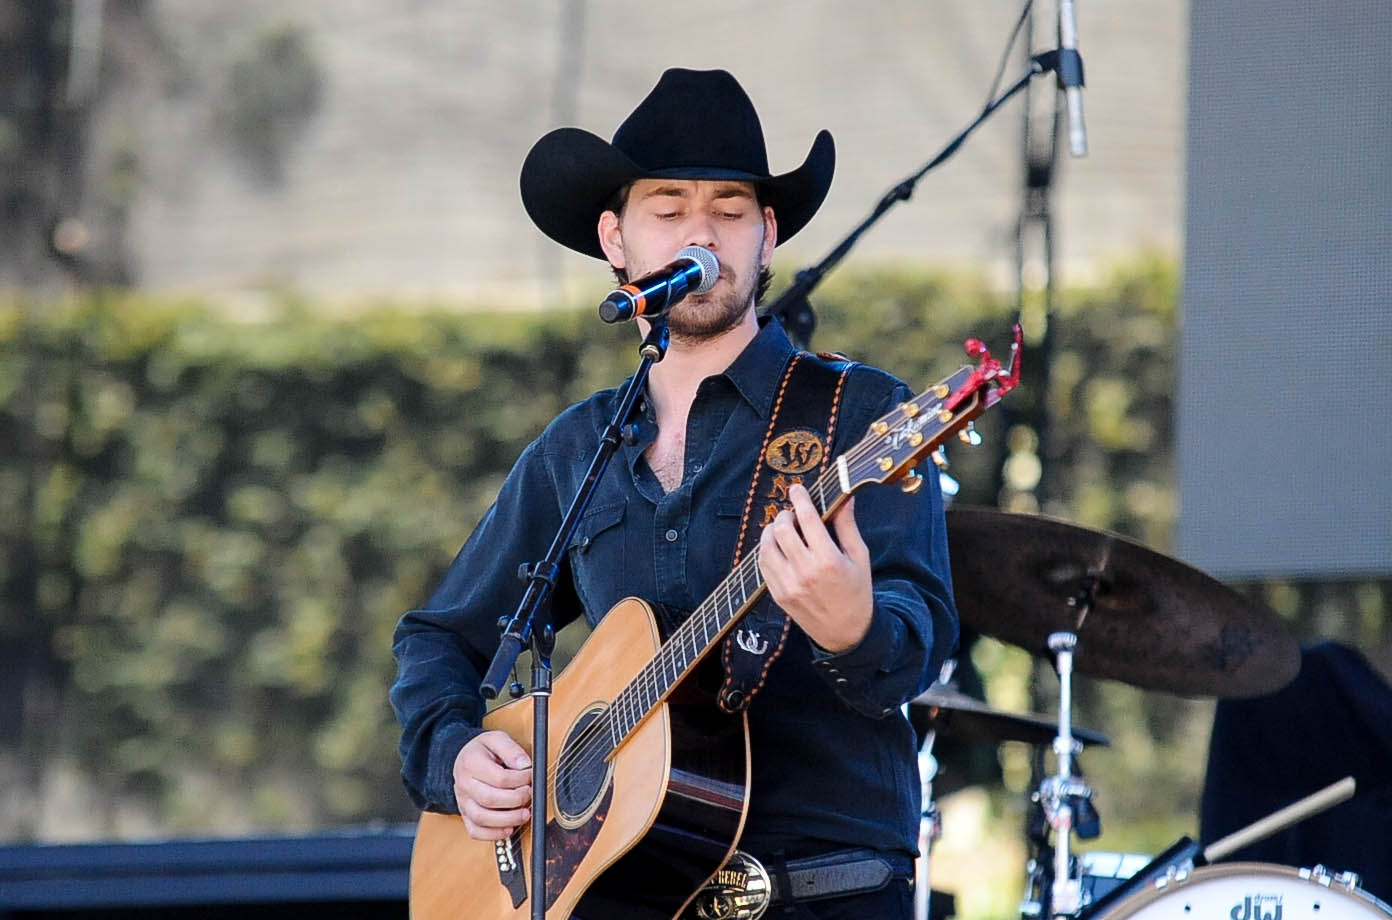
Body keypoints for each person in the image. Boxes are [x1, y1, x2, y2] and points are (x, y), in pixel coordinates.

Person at [391, 68, 958, 920]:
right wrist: (455, 754)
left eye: (730, 210)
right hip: (631, 895)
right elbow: (439, 638)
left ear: (767, 237)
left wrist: (857, 628)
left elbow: (921, 632)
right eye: (668, 209)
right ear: (616, 240)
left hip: (823, 889)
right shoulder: (577, 447)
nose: (701, 233)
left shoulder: (859, 412)